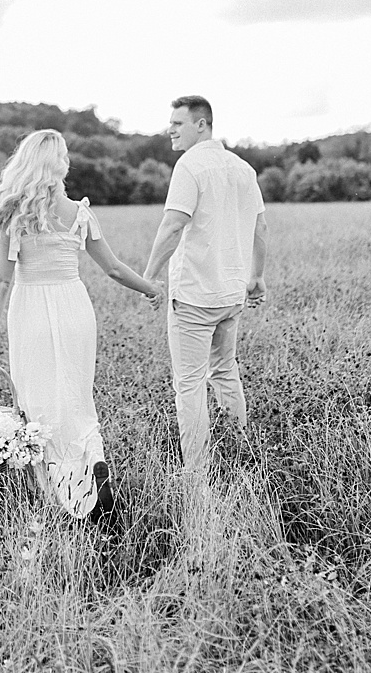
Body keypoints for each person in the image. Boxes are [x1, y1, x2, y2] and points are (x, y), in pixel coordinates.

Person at [0, 130, 163, 525]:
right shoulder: (80, 214)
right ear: (61, 164)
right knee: (75, 398)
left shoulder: (14, 216)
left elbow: (1, 282)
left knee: (38, 405)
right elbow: (113, 268)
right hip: (74, 308)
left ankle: (66, 499)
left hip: (31, 310)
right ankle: (93, 464)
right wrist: (151, 288)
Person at [142, 95, 268, 472]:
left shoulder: (190, 165)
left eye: (177, 123)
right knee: (225, 371)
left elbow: (173, 224)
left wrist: (148, 277)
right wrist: (256, 276)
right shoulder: (242, 168)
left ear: (202, 124)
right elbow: (260, 227)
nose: (170, 130)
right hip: (231, 294)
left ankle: (196, 469)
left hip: (195, 295)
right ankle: (239, 451)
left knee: (191, 383)